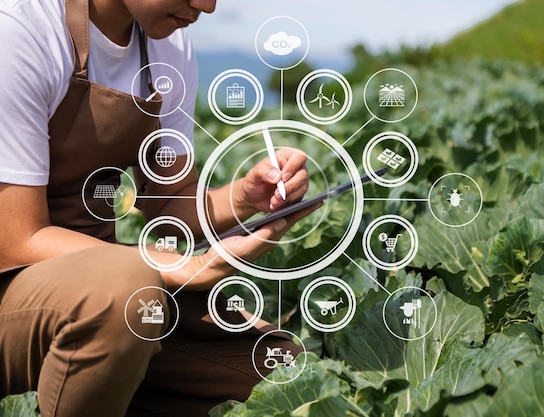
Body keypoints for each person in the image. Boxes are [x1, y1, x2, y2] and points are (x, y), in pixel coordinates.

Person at [0, 0, 318, 416]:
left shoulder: (167, 46)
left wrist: (244, 197)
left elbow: (170, 202)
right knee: (127, 289)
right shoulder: (20, 29)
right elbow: (16, 241)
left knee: (275, 367)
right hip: (19, 288)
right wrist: (178, 268)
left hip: (105, 293)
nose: (207, 5)